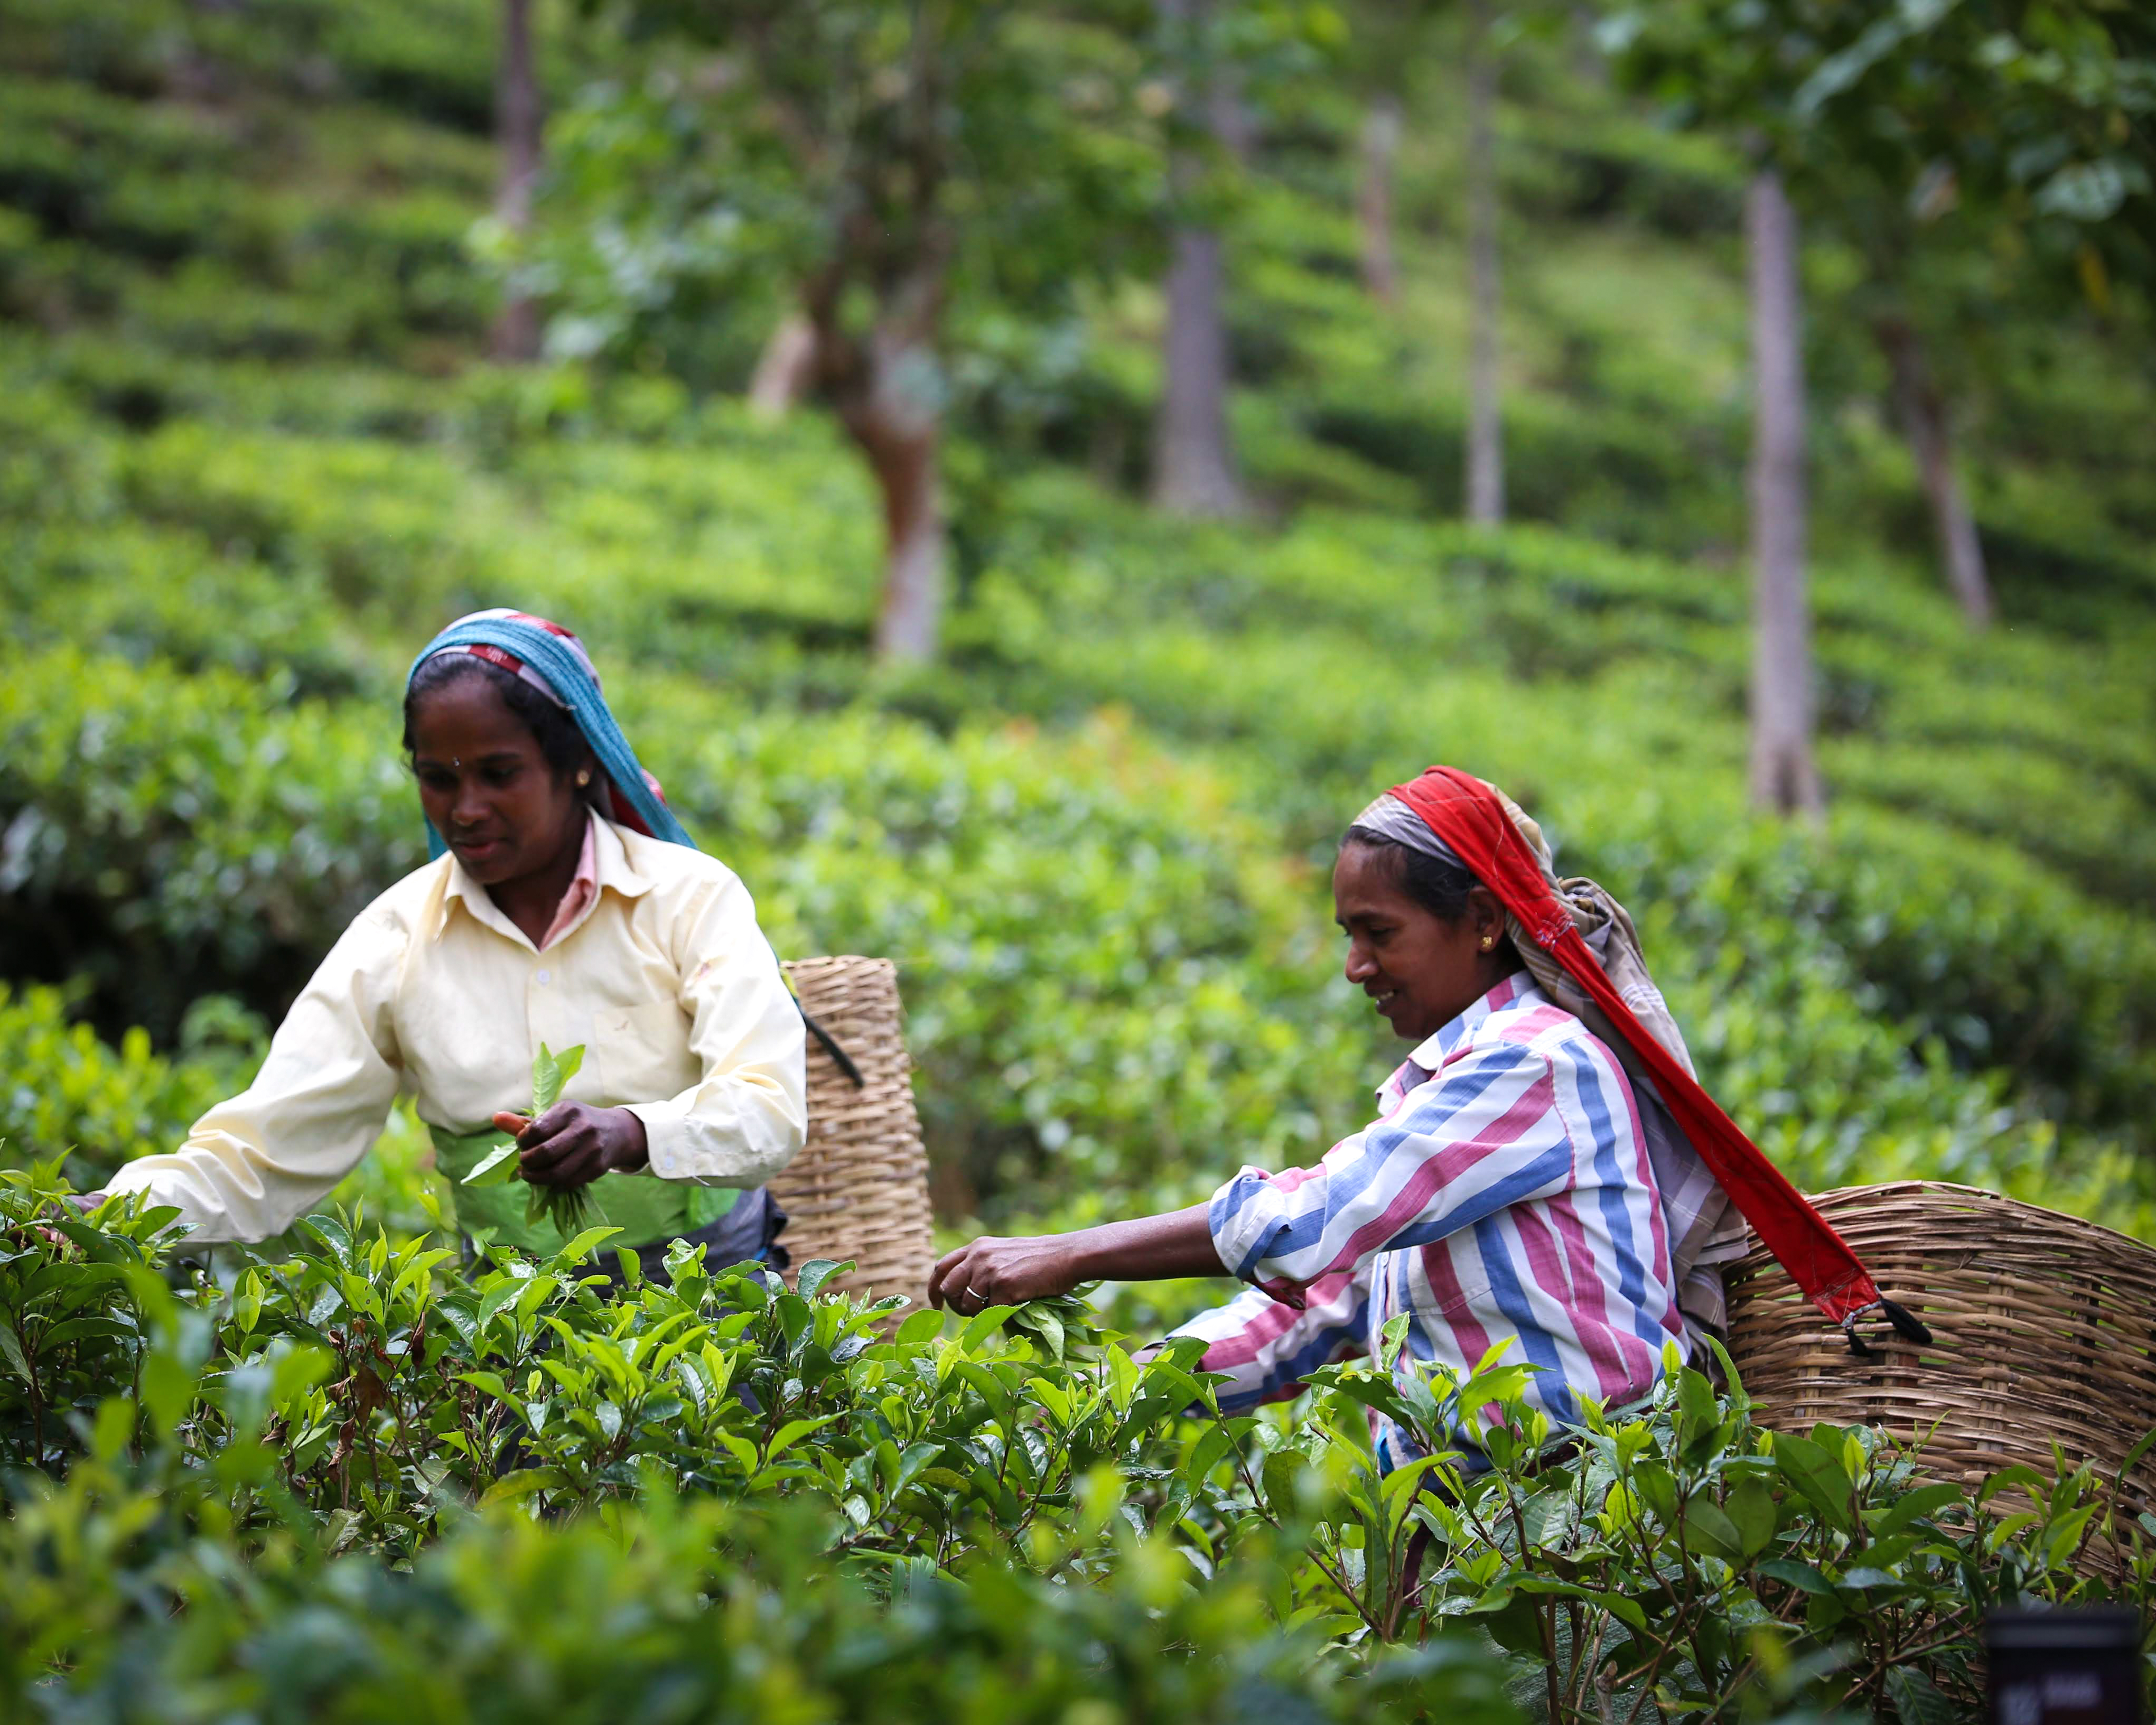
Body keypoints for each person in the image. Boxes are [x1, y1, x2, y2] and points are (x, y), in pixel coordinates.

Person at [930, 766, 1916, 1460]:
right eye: (1346, 935)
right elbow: (1321, 1313)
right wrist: (1090, 1401)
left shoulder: (1539, 1064)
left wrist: (1070, 1251)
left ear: (1483, 921)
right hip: (1464, 1519)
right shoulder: (1450, 1089)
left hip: (1585, 1510)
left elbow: (1312, 1222)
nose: (1355, 965)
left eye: (1378, 932)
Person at [95, 609, 807, 1279]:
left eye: (500, 774)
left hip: (712, 1300)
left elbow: (768, 1108)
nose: (465, 810)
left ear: (576, 763)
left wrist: (633, 1132)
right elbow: (263, 1152)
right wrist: (100, 1220)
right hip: (509, 1323)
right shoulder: (396, 939)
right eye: (438, 779)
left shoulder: (688, 898)